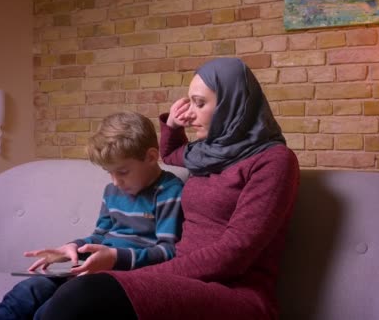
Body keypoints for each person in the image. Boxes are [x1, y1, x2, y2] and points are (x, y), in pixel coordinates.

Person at [38, 57, 301, 319]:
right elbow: (172, 154)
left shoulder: (274, 161)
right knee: (46, 293)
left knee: (85, 295)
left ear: (232, 104)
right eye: (189, 102)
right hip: (179, 277)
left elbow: (235, 254)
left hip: (233, 290)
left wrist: (130, 274)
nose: (191, 112)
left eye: (199, 103)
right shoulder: (208, 153)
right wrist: (174, 124)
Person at [0, 112, 184, 320]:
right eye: (109, 172)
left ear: (151, 157)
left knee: (51, 311)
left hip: (124, 277)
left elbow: (168, 251)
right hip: (93, 268)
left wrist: (115, 257)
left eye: (123, 172)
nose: (115, 182)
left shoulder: (168, 191)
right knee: (26, 292)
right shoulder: (112, 191)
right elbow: (99, 235)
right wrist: (73, 248)